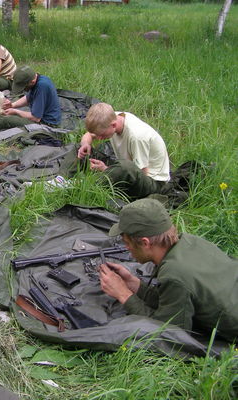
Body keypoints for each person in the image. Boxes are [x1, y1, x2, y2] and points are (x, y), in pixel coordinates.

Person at [99, 199, 238, 341]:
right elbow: (174, 297)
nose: (127, 248)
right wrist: (133, 283)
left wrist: (123, 294)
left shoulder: (175, 274)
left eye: (127, 243)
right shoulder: (191, 241)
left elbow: (169, 334)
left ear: (145, 243)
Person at [77, 102, 170, 199]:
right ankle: (62, 179)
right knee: (78, 148)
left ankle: (83, 187)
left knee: (124, 167)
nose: (99, 138)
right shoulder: (112, 118)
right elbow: (89, 135)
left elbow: (140, 174)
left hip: (152, 181)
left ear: (113, 125)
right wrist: (85, 145)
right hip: (126, 169)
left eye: (102, 135)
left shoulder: (137, 137)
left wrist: (107, 170)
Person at [0, 66, 61, 136]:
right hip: (38, 118)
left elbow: (35, 118)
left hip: (46, 125)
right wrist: (12, 105)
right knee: (3, 113)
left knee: (7, 120)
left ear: (31, 81)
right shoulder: (37, 80)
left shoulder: (42, 87)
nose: (23, 89)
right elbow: (28, 98)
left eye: (23, 86)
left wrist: (15, 112)